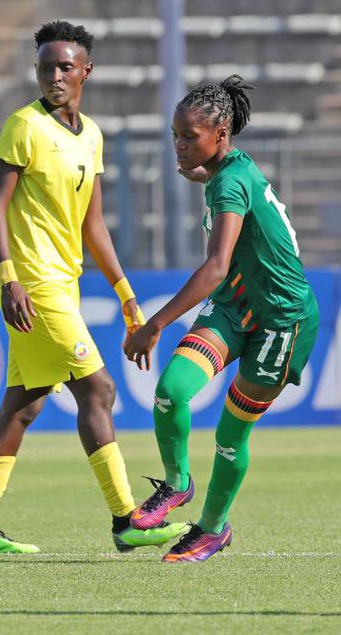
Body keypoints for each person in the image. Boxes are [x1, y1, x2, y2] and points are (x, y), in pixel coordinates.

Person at [0, 20, 187, 555]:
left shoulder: (94, 136)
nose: (54, 76)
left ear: (86, 71)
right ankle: (127, 520)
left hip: (66, 283)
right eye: (45, 67)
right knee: (98, 389)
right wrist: (8, 276)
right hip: (32, 285)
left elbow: (93, 225)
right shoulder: (22, 126)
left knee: (25, 404)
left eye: (64, 66)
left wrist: (127, 293)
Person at [124, 76, 319, 562]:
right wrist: (204, 173)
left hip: (282, 321)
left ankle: (212, 528)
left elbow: (214, 267)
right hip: (236, 305)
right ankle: (177, 483)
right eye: (175, 134)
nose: (179, 145)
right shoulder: (227, 170)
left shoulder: (229, 180)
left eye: (190, 137)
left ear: (222, 135)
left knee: (231, 436)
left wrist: (156, 324)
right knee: (171, 392)